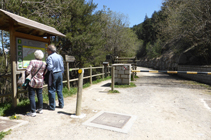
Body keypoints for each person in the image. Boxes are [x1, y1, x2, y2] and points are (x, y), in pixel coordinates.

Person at [26, 50, 46, 117]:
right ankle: (40, 109)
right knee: (39, 95)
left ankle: (33, 111)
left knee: (32, 96)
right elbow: (45, 72)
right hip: (40, 82)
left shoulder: (32, 61)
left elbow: (27, 70)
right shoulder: (43, 63)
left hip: (33, 81)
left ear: (35, 55)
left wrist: (28, 74)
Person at [46, 44, 64, 110]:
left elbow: (50, 67)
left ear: (50, 51)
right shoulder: (60, 56)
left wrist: (46, 68)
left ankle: (52, 106)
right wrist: (62, 72)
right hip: (60, 73)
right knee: (59, 89)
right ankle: (61, 104)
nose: (47, 51)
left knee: (51, 90)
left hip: (53, 74)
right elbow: (62, 66)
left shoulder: (50, 57)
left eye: (47, 50)